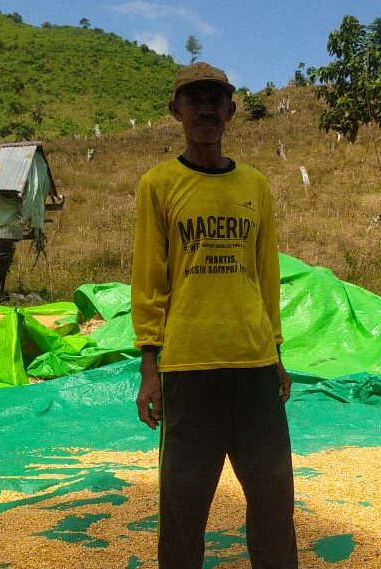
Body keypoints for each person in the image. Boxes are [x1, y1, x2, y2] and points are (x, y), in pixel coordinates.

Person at [132, 62, 297, 569]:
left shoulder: (255, 186)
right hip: (188, 367)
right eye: (194, 100)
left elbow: (265, 274)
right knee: (183, 502)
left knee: (273, 495)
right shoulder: (158, 185)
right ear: (176, 111)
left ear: (230, 111)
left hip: (253, 365)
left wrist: (276, 353)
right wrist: (149, 365)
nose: (205, 109)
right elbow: (149, 279)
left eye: (215, 100)